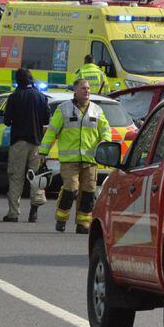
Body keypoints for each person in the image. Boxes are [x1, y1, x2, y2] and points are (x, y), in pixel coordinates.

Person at [38, 78, 111, 233]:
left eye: (89, 88)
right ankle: (61, 218)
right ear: (75, 91)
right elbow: (52, 131)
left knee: (89, 192)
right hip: (69, 161)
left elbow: (105, 129)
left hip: (90, 160)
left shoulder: (96, 110)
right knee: (71, 189)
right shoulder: (63, 110)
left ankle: (83, 223)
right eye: (83, 88)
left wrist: (105, 140)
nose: (87, 91)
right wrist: (43, 152)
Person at [2, 68, 50, 222]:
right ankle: (33, 212)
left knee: (16, 178)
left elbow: (7, 121)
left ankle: (13, 213)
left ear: (18, 81)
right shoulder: (41, 97)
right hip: (36, 143)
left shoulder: (14, 97)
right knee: (35, 178)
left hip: (18, 143)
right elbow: (46, 120)